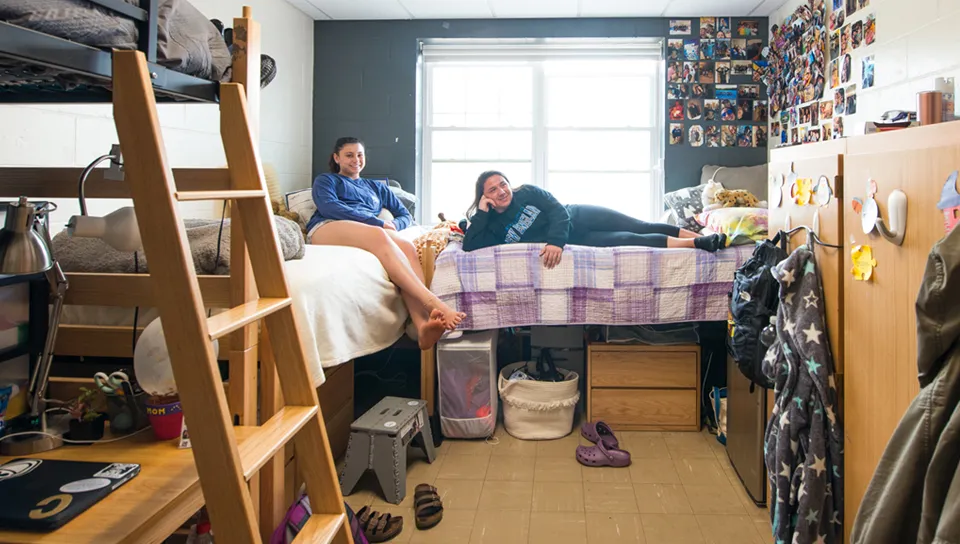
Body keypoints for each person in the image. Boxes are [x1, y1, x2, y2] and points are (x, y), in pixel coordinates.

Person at [307, 137, 465, 348]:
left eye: (360, 155)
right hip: (328, 226)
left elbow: (404, 214)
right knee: (379, 235)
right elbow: (329, 207)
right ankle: (433, 304)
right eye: (349, 155)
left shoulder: (375, 187)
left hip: (367, 230)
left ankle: (421, 327)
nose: (356, 160)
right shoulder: (327, 180)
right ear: (337, 158)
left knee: (407, 247)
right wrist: (378, 223)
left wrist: (394, 226)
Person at [461, 171, 727, 268]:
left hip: (578, 215)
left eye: (503, 184)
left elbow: (557, 210)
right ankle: (699, 244)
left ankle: (703, 237)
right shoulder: (492, 226)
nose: (501, 191)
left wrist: (555, 242)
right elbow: (470, 244)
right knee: (630, 239)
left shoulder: (527, 192)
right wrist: (482, 213)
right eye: (492, 190)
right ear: (485, 197)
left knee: (638, 225)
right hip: (581, 239)